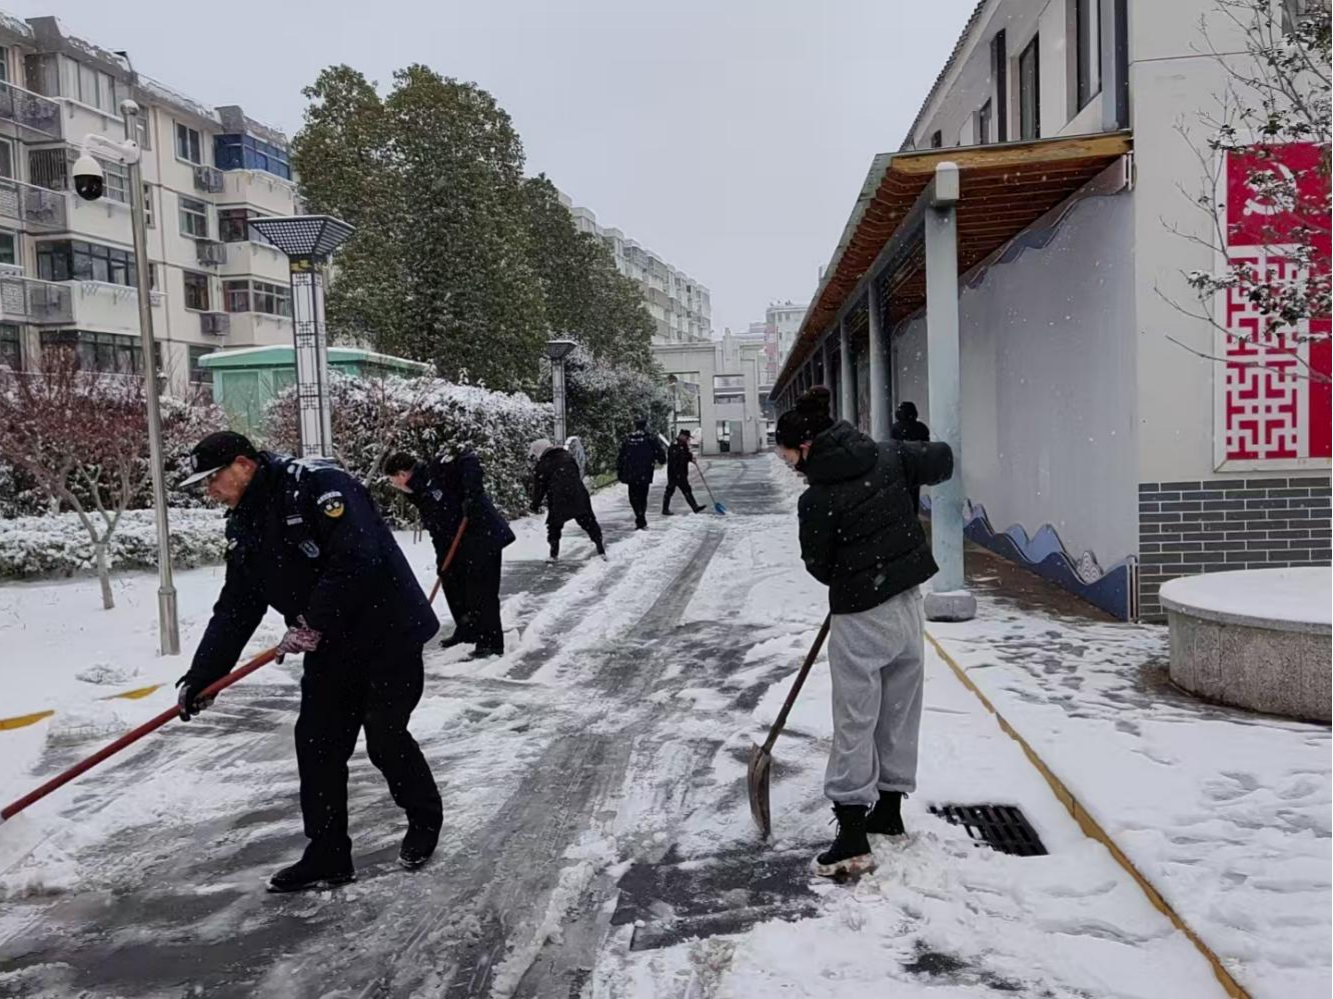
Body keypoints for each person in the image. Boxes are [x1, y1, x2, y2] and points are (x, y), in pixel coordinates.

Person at [173, 431, 444, 892]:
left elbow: (357, 559)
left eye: (213, 478)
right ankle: (328, 853)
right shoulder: (244, 522)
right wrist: (205, 676)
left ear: (243, 464)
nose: (209, 490)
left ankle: (424, 818)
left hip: (387, 632)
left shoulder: (317, 485)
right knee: (317, 743)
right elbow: (237, 605)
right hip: (328, 644)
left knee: (384, 736)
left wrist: (312, 621)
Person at [774, 387, 953, 879]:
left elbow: (819, 565)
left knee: (855, 719)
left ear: (806, 447)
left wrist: (856, 568)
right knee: (899, 710)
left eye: (789, 457)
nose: (790, 466)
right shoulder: (889, 455)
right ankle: (889, 813)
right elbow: (941, 459)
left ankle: (853, 836)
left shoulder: (817, 501)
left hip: (860, 615)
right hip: (907, 604)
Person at [384, 449, 516, 660]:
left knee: (481, 590)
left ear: (402, 474)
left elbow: (468, 459)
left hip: (482, 536)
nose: (393, 485)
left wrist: (472, 495)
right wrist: (442, 559)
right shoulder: (418, 492)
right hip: (460, 543)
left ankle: (491, 643)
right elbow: (437, 526)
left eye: (393, 480)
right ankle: (467, 630)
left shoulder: (438, 469)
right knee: (451, 581)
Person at [530, 438, 606, 560]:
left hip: (558, 498)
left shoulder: (543, 464)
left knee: (554, 526)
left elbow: (539, 488)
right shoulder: (567, 457)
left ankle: (553, 554)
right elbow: (576, 474)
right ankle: (600, 548)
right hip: (579, 494)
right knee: (588, 522)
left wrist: (535, 504)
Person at [617, 418, 666, 530]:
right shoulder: (649, 438)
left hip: (631, 473)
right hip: (645, 472)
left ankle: (639, 516)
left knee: (633, 497)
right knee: (642, 496)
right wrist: (661, 459)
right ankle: (641, 517)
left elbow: (621, 456)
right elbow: (659, 453)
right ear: (645, 426)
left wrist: (620, 470)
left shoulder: (628, 439)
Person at [890, 402, 931, 517]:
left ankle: (904, 517)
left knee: (901, 495)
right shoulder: (921, 428)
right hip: (917, 467)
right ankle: (912, 517)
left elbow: (892, 446)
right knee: (914, 494)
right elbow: (926, 446)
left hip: (901, 466)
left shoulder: (896, 428)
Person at [662, 429, 705, 516]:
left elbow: (685, 455)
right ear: (682, 436)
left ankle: (695, 507)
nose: (688, 440)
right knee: (671, 490)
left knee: (686, 489)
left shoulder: (683, 445)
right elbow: (675, 459)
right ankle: (665, 509)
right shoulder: (674, 445)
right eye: (687, 438)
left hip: (682, 472)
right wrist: (677, 472)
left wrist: (691, 458)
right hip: (674, 473)